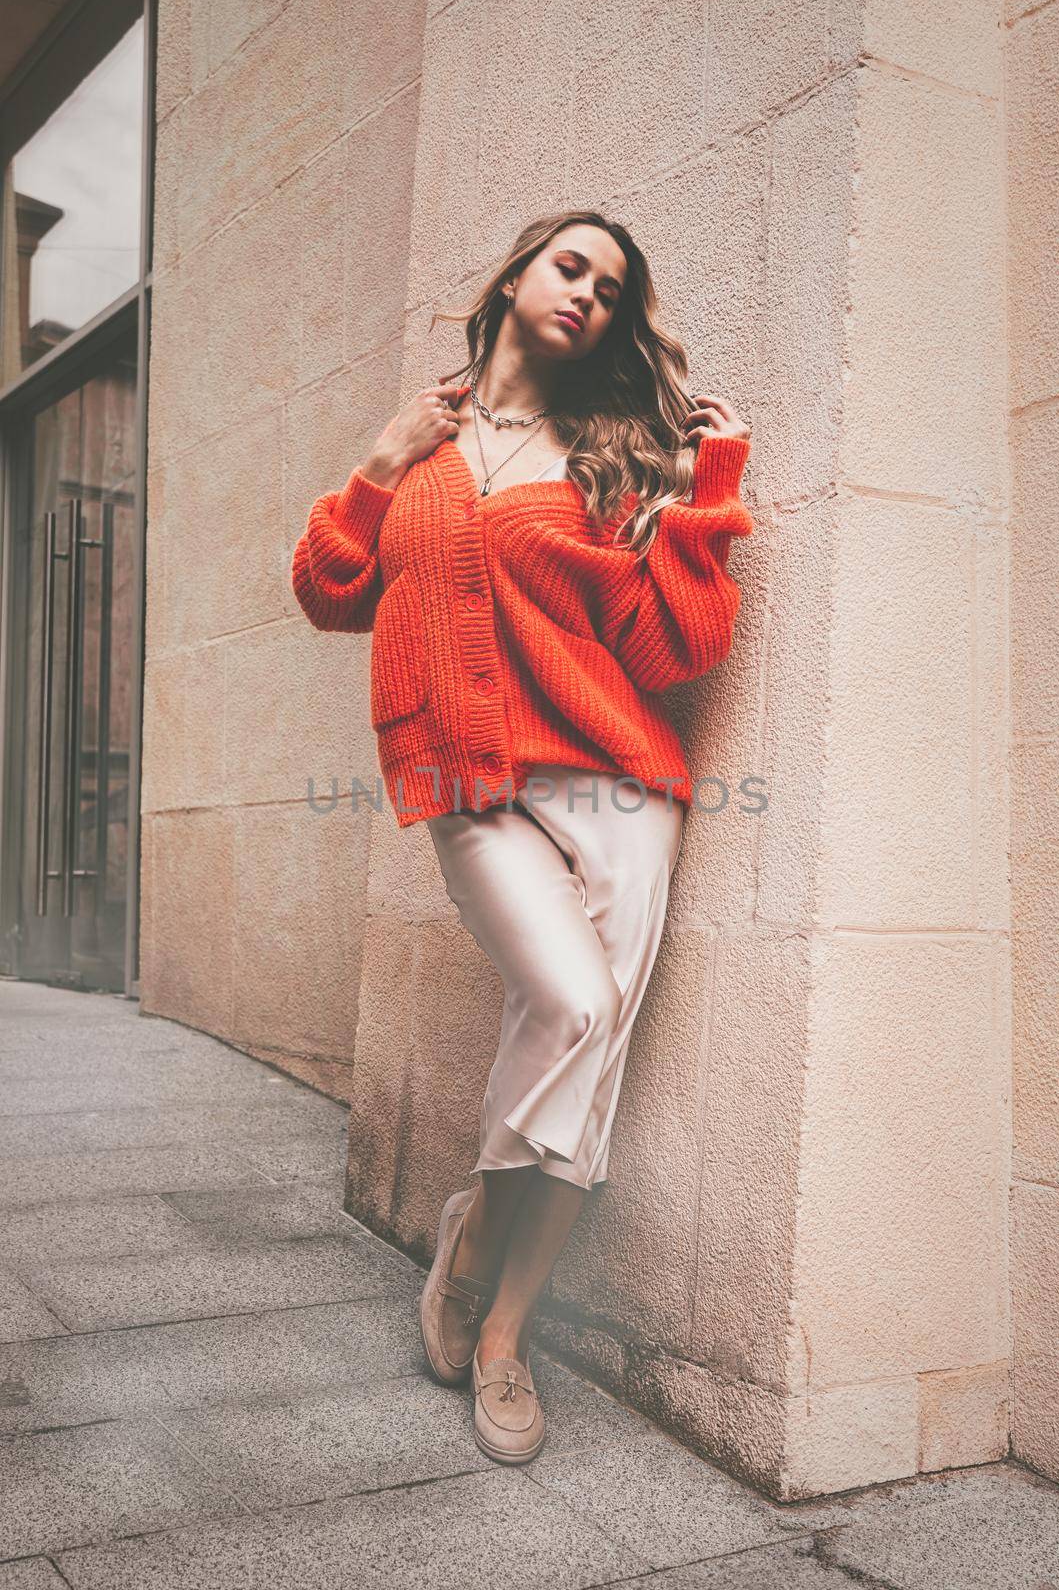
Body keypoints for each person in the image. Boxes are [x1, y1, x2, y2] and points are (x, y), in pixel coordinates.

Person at [291, 209, 755, 1465]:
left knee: (589, 1052)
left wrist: (708, 497)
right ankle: (483, 1235)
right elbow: (330, 591)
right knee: (569, 1003)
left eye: (611, 288)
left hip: (618, 785)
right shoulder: (425, 450)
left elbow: (676, 649)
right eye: (570, 267)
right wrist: (380, 462)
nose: (588, 296)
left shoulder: (611, 459)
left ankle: (501, 1329)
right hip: (470, 786)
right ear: (513, 276)